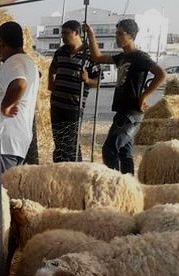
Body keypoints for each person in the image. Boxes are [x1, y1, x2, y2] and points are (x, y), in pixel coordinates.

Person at [85, 19, 166, 174]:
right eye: (116, 33)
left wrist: (143, 96)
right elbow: (97, 57)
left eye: (120, 34)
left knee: (109, 149)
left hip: (132, 113)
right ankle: (128, 187)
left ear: (131, 36)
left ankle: (115, 184)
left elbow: (161, 74)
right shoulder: (122, 57)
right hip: (123, 111)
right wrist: (91, 35)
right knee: (125, 153)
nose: (117, 37)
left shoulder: (140, 57)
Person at [0, 21, 39, 177]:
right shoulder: (25, 61)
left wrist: (5, 106)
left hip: (3, 142)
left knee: (0, 192)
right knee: (6, 189)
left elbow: (19, 84)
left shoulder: (14, 62)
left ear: (1, 43)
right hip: (7, 142)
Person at [48, 20, 100, 162]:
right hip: (57, 105)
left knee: (71, 144)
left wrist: (88, 80)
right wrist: (50, 83)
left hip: (74, 107)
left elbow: (98, 81)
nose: (62, 37)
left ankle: (76, 172)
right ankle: (59, 172)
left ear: (76, 33)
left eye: (66, 33)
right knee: (59, 142)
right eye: (62, 33)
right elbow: (52, 69)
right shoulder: (60, 51)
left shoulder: (89, 55)